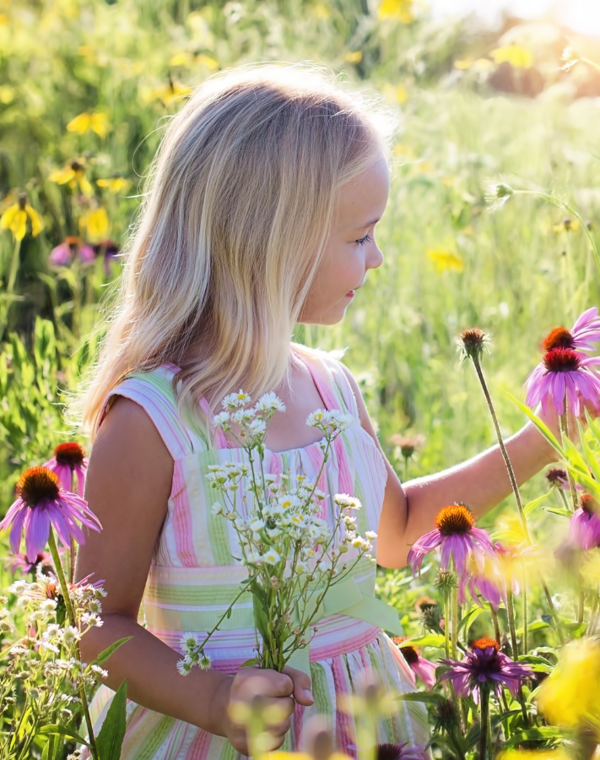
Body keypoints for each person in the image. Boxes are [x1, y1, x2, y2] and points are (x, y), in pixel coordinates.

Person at [76, 63, 558, 759]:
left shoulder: (332, 388)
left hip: (366, 725)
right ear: (271, 245)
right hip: (212, 736)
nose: (379, 257)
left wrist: (543, 437)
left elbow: (395, 534)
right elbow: (97, 625)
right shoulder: (153, 421)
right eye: (360, 237)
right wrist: (212, 699)